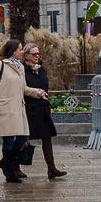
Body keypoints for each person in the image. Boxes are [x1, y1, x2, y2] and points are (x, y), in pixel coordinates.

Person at [0, 40, 45, 183]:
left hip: (19, 109)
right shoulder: (0, 65)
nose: (22, 51)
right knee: (9, 140)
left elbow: (23, 88)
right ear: (13, 51)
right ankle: (10, 173)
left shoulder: (20, 67)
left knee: (23, 138)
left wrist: (37, 92)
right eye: (20, 49)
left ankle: (5, 162)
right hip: (4, 108)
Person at [21, 44, 67, 180]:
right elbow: (23, 88)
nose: (37, 56)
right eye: (34, 54)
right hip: (29, 109)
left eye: (38, 54)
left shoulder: (42, 70)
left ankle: (51, 169)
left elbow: (45, 85)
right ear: (26, 55)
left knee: (47, 138)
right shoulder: (22, 70)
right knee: (22, 139)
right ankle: (9, 165)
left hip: (42, 109)